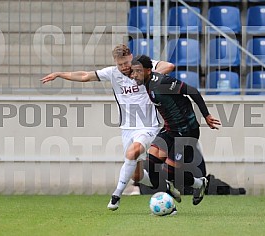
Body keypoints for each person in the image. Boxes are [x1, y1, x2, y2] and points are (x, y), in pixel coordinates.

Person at [40, 44, 176, 211]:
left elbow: (169, 66)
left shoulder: (141, 67)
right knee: (137, 175)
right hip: (127, 128)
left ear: (131, 57)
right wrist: (59, 74)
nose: (125, 67)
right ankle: (161, 185)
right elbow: (84, 76)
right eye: (121, 64)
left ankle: (116, 196)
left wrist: (146, 75)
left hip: (149, 126)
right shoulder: (112, 73)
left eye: (127, 63)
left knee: (132, 152)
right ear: (115, 63)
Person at [130, 55, 221, 205]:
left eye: (137, 71)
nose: (134, 76)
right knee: (151, 163)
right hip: (170, 130)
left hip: (187, 132)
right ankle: (168, 187)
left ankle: (200, 184)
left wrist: (206, 115)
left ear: (147, 70)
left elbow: (192, 91)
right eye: (133, 72)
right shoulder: (146, 83)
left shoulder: (162, 82)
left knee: (172, 172)